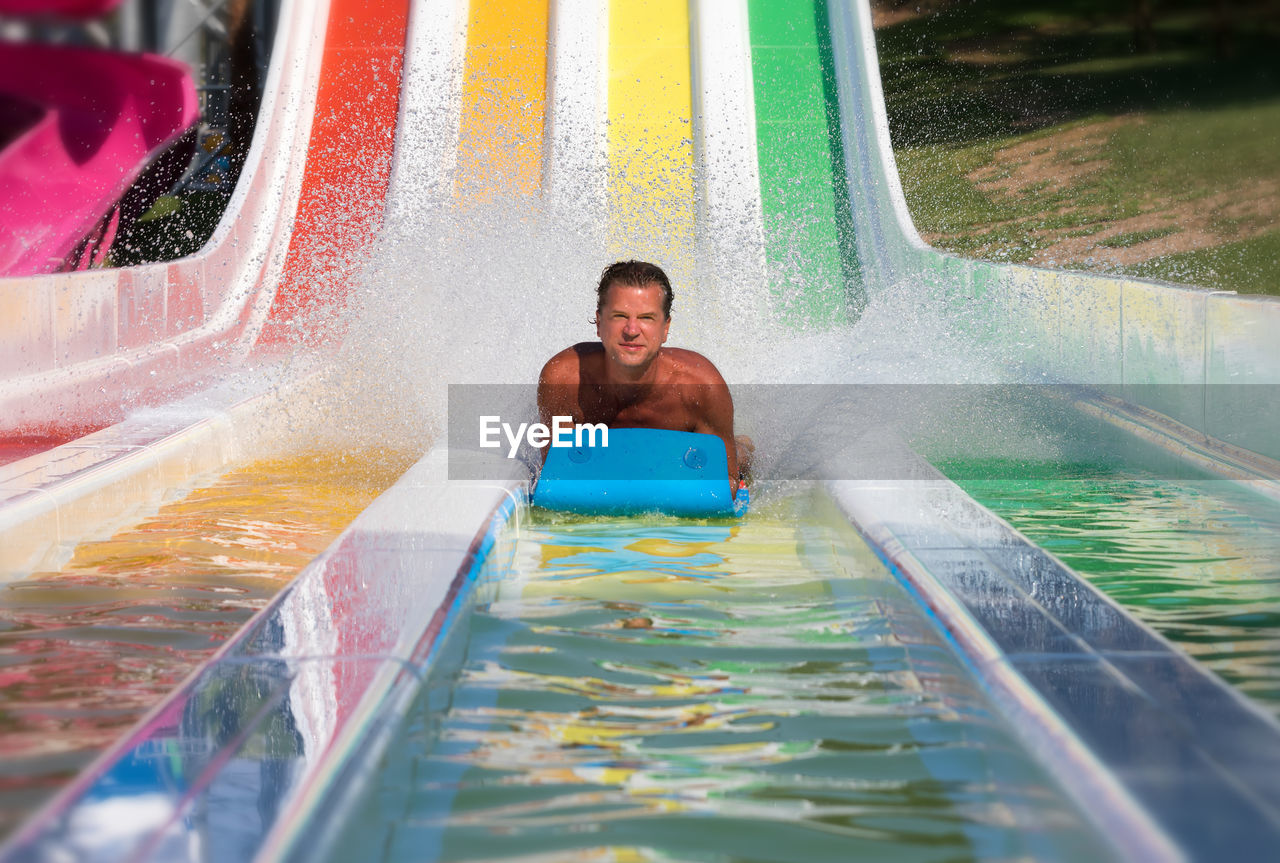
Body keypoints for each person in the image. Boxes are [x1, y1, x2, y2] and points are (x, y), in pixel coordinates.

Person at [537, 260, 753, 494]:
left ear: (665, 328)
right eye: (619, 316)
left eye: (647, 318)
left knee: (739, 456)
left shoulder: (700, 386)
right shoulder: (564, 379)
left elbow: (724, 486)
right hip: (607, 458)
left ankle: (744, 446)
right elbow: (558, 477)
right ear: (599, 322)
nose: (631, 330)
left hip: (684, 458)